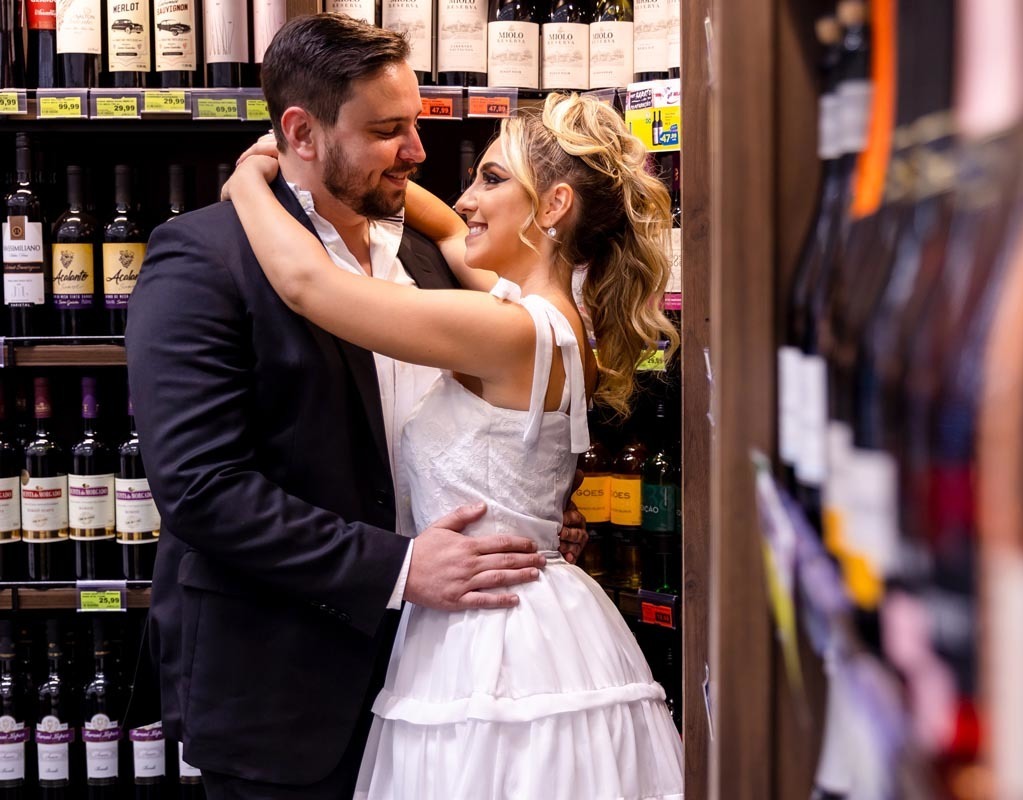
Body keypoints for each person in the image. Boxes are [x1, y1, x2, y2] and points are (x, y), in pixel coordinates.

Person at [126, 14, 586, 799]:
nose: (418, 150)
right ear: (301, 132)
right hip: (287, 690)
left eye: (414, 123)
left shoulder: (434, 254)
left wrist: (525, 510)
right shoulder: (202, 259)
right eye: (386, 131)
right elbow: (203, 489)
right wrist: (400, 568)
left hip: (450, 674)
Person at [226, 75, 685, 800]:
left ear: (554, 206)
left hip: (492, 643)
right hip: (535, 617)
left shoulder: (508, 331)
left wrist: (254, 180)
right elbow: (446, 228)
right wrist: (366, 173)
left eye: (491, 178)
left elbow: (308, 285)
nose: (467, 197)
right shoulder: (556, 317)